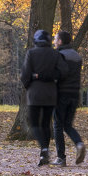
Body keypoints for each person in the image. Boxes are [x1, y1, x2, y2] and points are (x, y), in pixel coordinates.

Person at [20, 29, 60, 165]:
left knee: (34, 123)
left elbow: (25, 74)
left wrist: (31, 82)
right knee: (46, 123)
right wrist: (48, 77)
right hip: (50, 93)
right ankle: (45, 151)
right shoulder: (55, 54)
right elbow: (61, 72)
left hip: (35, 93)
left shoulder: (31, 53)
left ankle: (44, 150)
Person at [51, 30, 86, 166]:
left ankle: (61, 158)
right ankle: (79, 143)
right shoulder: (77, 56)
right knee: (67, 125)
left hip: (61, 94)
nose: (54, 41)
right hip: (74, 94)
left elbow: (55, 76)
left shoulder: (58, 55)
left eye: (55, 39)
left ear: (60, 41)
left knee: (58, 125)